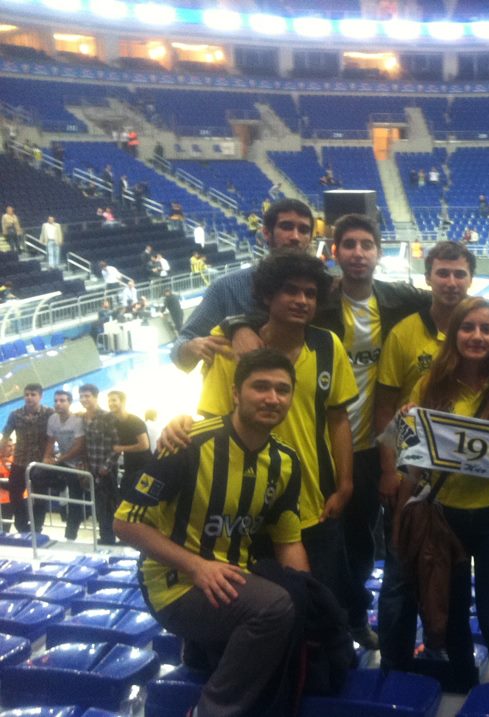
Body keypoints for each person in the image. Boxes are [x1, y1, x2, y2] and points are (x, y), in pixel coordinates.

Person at [221, 213, 431, 648]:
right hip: (311, 452)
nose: (358, 253)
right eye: (348, 244)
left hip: (366, 445)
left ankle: (349, 618)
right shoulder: (319, 302)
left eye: (367, 245)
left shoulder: (395, 299)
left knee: (358, 542)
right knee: (305, 549)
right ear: (334, 252)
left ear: (379, 252)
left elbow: (447, 297)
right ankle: (311, 630)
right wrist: (235, 324)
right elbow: (266, 312)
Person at [114, 349, 309, 717]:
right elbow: (125, 523)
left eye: (282, 390)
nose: (272, 398)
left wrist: (308, 595)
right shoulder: (186, 443)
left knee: (299, 604)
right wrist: (197, 566)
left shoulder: (285, 462)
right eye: (260, 387)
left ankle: (203, 651)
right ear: (235, 393)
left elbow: (288, 541)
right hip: (175, 584)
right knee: (274, 608)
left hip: (231, 582)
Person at [196, 251, 358, 625]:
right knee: (261, 614)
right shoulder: (231, 351)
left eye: (310, 293)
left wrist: (345, 484)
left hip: (315, 502)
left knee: (321, 607)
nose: (302, 300)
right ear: (268, 295)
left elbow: (338, 419)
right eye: (291, 291)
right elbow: (212, 425)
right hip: (247, 510)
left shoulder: (328, 345)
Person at [407, 296, 489, 689]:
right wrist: (407, 426)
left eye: (487, 329)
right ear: (454, 333)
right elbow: (411, 449)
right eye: (468, 327)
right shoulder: (431, 384)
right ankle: (462, 682)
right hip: (444, 515)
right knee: (452, 611)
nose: (477, 336)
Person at [375, 240, 475, 671]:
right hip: (412, 477)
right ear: (428, 276)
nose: (451, 282)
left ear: (470, 279)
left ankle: (445, 652)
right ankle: (394, 663)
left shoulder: (478, 330)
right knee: (400, 573)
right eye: (443, 273)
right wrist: (389, 470)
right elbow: (385, 404)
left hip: (462, 484)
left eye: (459, 273)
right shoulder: (405, 333)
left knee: (453, 572)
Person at [171, 198, 316, 371]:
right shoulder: (226, 288)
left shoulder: (322, 289)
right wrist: (192, 347)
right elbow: (180, 347)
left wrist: (235, 324)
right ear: (266, 233)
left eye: (304, 230)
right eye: (286, 227)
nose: (295, 237)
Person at [0, 384, 54, 532]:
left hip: (40, 463)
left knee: (41, 497)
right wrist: (2, 454)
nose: (29, 397)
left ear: (40, 396)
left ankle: (37, 527)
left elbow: (55, 435)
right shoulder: (15, 414)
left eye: (33, 394)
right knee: (15, 494)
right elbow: (5, 435)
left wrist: (50, 456)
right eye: (27, 394)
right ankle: (22, 526)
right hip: (19, 461)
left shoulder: (49, 413)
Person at [39, 390, 86, 539]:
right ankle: (60, 487)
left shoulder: (78, 420)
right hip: (63, 462)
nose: (58, 403)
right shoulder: (53, 419)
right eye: (56, 401)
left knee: (75, 500)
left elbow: (79, 446)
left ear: (69, 402)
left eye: (62, 400)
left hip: (78, 464)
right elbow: (50, 441)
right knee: (37, 474)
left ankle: (70, 535)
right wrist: (46, 457)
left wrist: (59, 459)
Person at [78, 384, 120, 544]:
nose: (84, 399)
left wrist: (106, 466)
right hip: (92, 470)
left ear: (96, 397)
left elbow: (117, 445)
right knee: (99, 506)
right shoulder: (82, 418)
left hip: (106, 471)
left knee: (109, 506)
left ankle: (111, 538)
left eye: (87, 396)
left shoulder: (108, 417)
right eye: (81, 396)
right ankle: (106, 537)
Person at [107, 390, 151, 500]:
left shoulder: (135, 421)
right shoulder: (115, 423)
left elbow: (144, 445)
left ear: (123, 402)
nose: (110, 403)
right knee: (125, 497)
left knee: (142, 500)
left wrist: (121, 448)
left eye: (114, 400)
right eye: (109, 401)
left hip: (144, 467)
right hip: (129, 467)